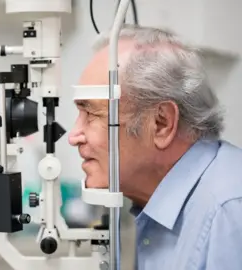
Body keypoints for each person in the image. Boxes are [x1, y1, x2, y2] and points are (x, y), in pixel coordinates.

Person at [68, 25, 242, 269]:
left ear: (161, 123)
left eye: (91, 114)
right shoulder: (155, 207)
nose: (73, 136)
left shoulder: (228, 215)